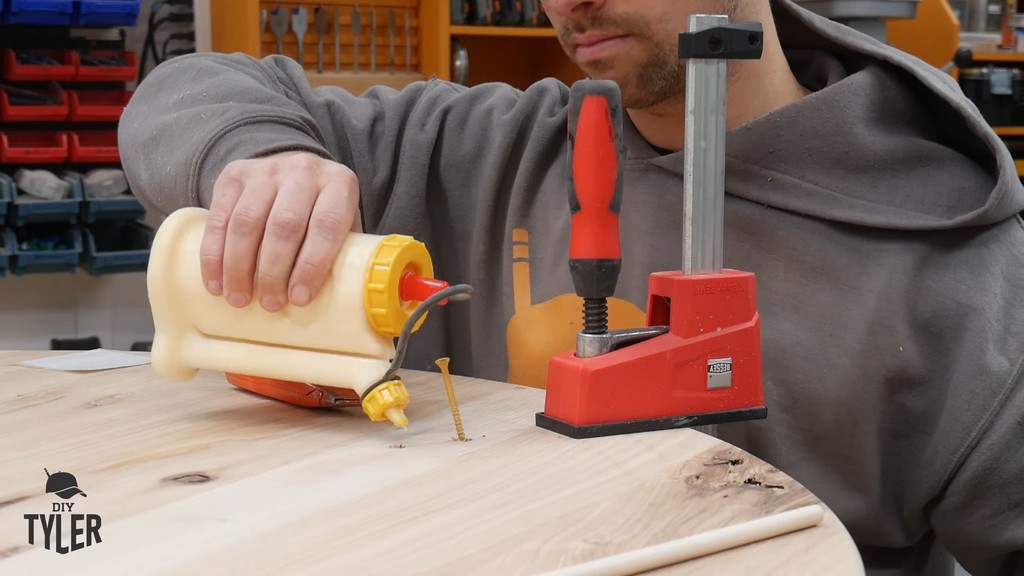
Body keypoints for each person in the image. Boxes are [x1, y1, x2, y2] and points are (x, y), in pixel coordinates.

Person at [118, 0, 1024, 573]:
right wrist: (263, 156)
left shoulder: (964, 273)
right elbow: (186, 88)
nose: (569, 2)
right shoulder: (480, 146)